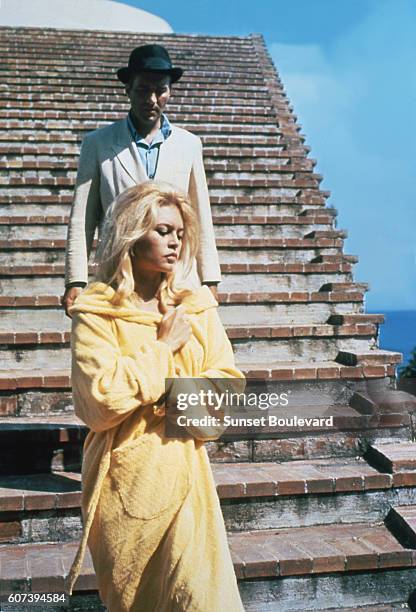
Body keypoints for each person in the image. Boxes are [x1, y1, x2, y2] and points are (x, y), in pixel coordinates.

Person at [65, 181, 245, 612]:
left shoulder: (195, 306)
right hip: (123, 482)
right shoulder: (95, 312)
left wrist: (168, 395)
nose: (174, 241)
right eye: (162, 230)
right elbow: (99, 401)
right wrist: (163, 350)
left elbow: (228, 387)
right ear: (131, 233)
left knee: (202, 600)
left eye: (179, 233)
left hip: (186, 474)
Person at [62, 44, 221, 316]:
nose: (151, 99)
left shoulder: (189, 145)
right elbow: (82, 218)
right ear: (128, 89)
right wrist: (75, 279)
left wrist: (210, 279)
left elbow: (200, 216)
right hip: (119, 278)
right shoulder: (98, 144)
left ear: (169, 91)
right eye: (143, 89)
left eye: (160, 90)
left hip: (177, 280)